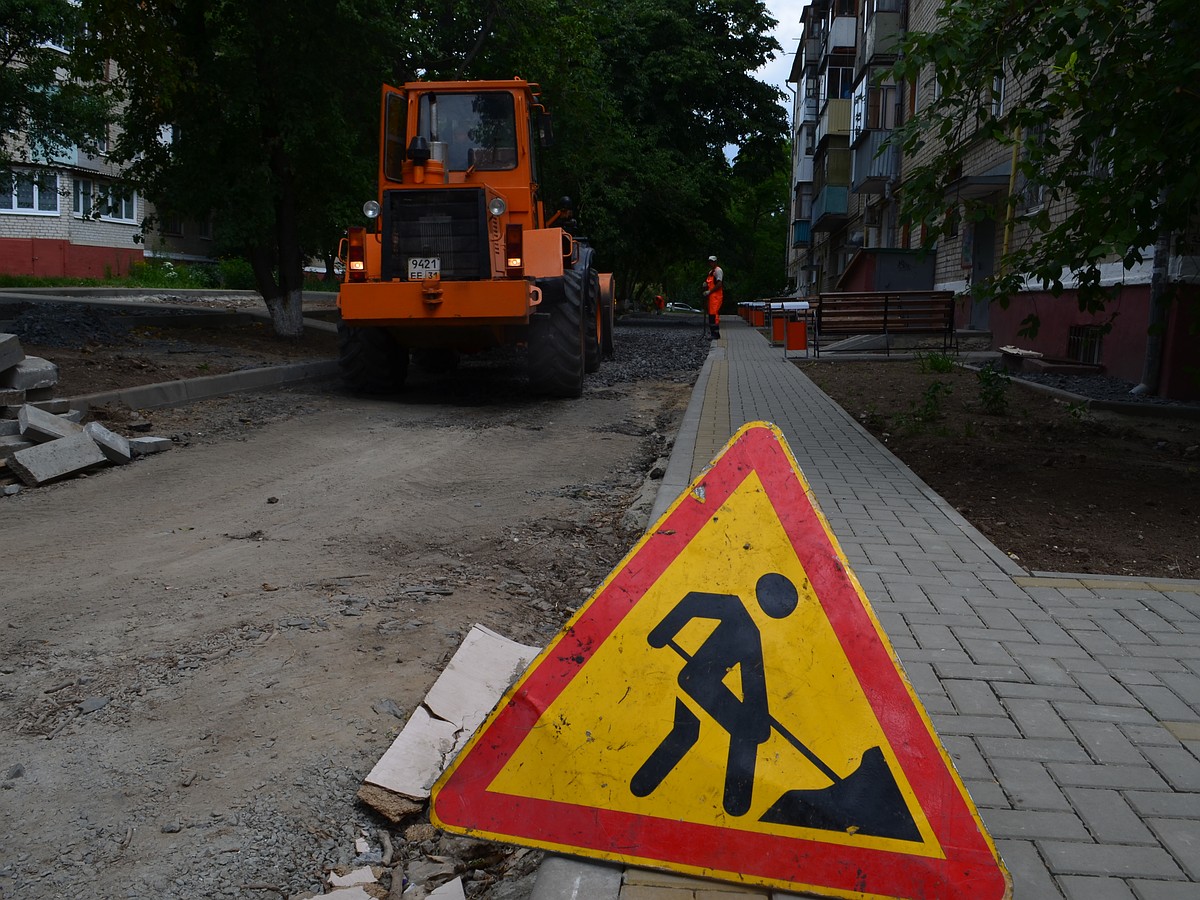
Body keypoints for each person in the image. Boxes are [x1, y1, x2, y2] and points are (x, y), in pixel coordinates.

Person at [703, 255, 724, 339]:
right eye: (710, 261)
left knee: (714, 315)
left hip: (716, 296)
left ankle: (715, 334)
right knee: (711, 314)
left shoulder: (718, 271)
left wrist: (710, 291)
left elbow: (719, 284)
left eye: (712, 261)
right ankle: (713, 333)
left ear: (715, 262)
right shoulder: (711, 272)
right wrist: (705, 286)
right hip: (711, 296)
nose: (711, 263)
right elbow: (710, 283)